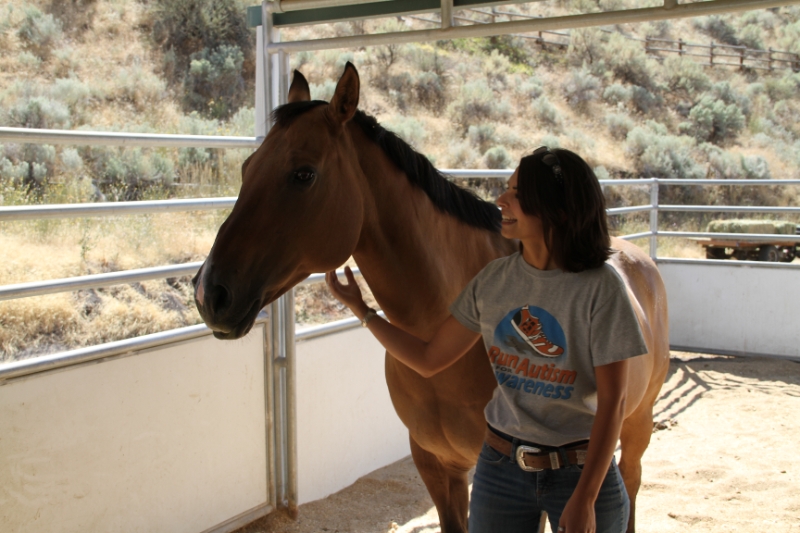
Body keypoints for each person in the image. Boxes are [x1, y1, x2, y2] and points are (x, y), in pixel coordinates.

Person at [325, 147, 648, 533]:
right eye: (507, 188)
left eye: (518, 193)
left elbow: (615, 402)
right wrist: (363, 310)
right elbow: (429, 358)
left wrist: (586, 496)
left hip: (579, 470)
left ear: (558, 210)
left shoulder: (601, 288)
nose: (501, 199)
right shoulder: (494, 281)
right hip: (501, 470)